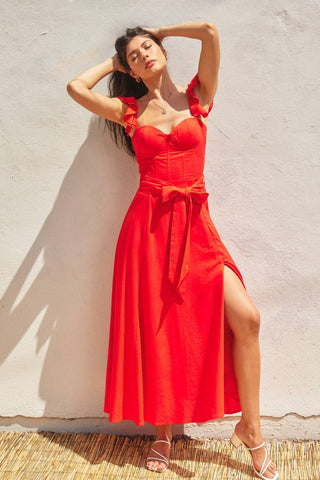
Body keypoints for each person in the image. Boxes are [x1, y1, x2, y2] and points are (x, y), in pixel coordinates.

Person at [67, 21, 279, 480]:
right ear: (131, 69)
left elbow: (209, 31)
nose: (144, 55)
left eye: (149, 47)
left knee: (247, 318)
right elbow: (75, 87)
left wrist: (159, 31)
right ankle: (163, 434)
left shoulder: (198, 95)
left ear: (161, 50)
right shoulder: (127, 110)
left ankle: (251, 427)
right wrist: (116, 60)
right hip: (147, 231)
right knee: (160, 332)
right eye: (135, 56)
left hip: (196, 227)